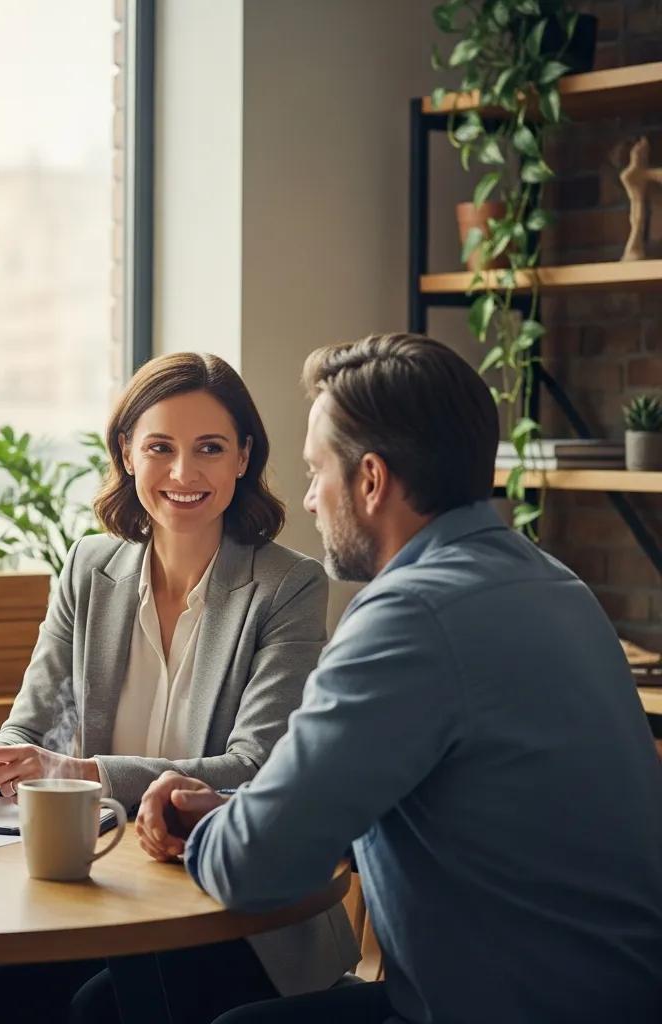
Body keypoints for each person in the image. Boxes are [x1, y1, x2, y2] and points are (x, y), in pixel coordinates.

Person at [136, 334, 662, 1024]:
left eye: (318, 471)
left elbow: (253, 870)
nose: (312, 499)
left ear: (372, 480)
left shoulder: (408, 614)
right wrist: (235, 808)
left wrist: (210, 832)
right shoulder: (551, 582)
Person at [0, 352, 359, 1024]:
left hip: (231, 909)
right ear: (126, 454)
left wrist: (76, 770)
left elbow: (254, 768)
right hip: (99, 889)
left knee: (102, 1011)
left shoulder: (286, 586)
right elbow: (32, 733)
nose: (184, 473)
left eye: (210, 448)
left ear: (244, 457)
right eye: (160, 448)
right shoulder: (88, 568)